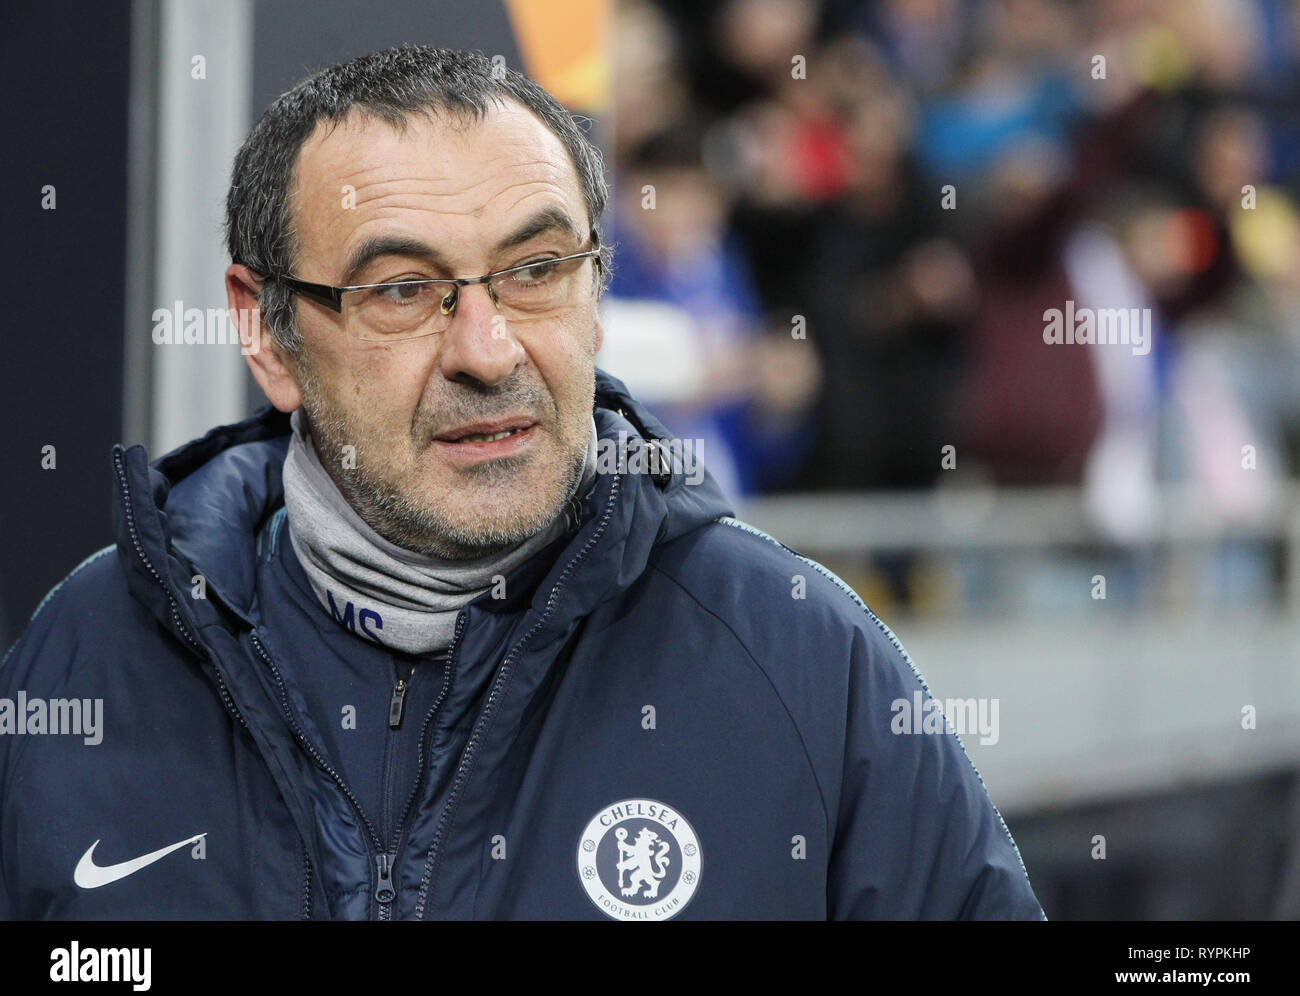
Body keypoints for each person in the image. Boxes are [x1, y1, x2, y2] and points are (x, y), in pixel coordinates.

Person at [0, 45, 1043, 921]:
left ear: (596, 292)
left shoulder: (801, 656)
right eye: (403, 289)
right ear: (265, 332)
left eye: (536, 270)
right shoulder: (84, 656)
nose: (488, 350)